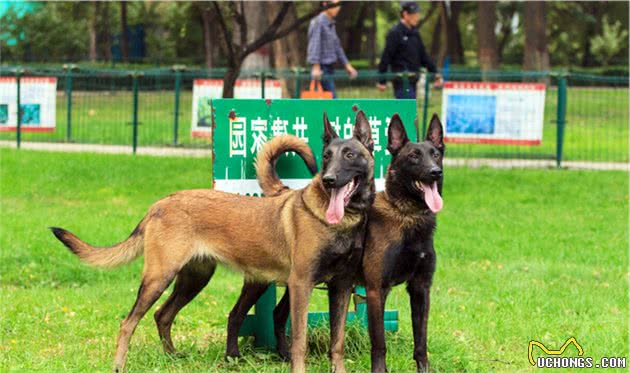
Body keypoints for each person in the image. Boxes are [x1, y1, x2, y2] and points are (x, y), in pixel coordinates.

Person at [377, 1, 443, 99]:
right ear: (405, 14)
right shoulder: (395, 33)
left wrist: (435, 73)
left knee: (409, 112)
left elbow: (424, 56)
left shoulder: (415, 33)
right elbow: (386, 56)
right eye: (414, 14)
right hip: (401, 82)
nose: (417, 17)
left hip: (414, 80)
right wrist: (382, 80)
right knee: (407, 111)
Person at [307, 0, 358, 98]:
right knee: (333, 100)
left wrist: (347, 65)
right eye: (335, 5)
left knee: (329, 100)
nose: (337, 8)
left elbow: (337, 46)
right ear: (325, 4)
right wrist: (316, 67)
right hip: (322, 69)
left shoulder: (330, 23)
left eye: (339, 5)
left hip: (330, 67)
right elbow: (314, 45)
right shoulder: (318, 22)